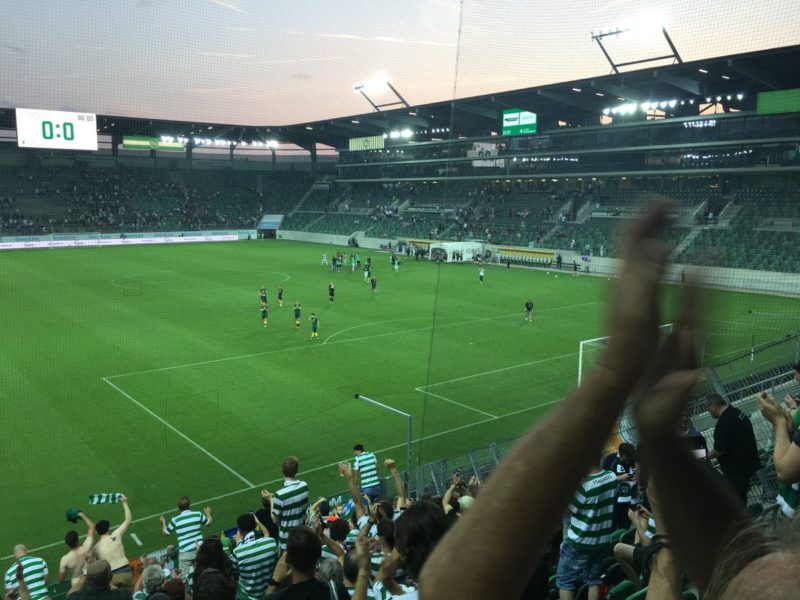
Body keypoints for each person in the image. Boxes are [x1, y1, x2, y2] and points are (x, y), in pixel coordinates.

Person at [557, 464, 617, 600]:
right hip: (601, 541)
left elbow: (566, 510)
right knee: (593, 579)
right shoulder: (612, 477)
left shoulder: (583, 486)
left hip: (579, 542)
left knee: (564, 582)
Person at [705, 394, 761, 504]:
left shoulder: (723, 423)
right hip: (749, 463)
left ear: (713, 406)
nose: (709, 412)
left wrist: (705, 456)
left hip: (736, 471)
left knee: (732, 502)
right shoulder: (737, 412)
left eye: (708, 409)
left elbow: (719, 450)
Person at [264, 526, 349, 599]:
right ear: (318, 556)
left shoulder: (276, 598)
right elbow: (341, 554)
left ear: (287, 560)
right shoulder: (336, 591)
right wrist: (321, 535)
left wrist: (275, 580)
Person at [159, 497, 213, 586]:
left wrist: (163, 523)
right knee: (205, 574)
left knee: (184, 580)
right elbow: (209, 523)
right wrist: (208, 514)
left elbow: (166, 533)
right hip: (200, 550)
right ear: (189, 505)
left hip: (185, 553)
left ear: (178, 507)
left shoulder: (175, 520)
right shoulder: (197, 514)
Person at [91, 495, 134, 593]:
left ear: (97, 532)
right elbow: (128, 520)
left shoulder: (95, 548)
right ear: (108, 529)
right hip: (125, 571)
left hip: (111, 576)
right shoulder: (116, 535)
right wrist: (124, 502)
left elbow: (96, 566)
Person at [269, 456, 309, 551]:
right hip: (302, 535)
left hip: (287, 540)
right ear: (296, 470)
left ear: (282, 471)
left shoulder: (280, 495)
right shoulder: (304, 486)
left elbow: (275, 520)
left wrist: (271, 500)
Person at [59, 511, 96, 586]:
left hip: (78, 585)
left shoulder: (65, 559)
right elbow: (92, 526)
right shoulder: (86, 547)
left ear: (67, 544)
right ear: (77, 539)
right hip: (92, 580)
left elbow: (61, 579)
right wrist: (81, 515)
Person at [65, 559, 130, 599]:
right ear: (111, 576)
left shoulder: (78, 597)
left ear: (88, 580)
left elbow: (69, 595)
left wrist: (85, 575)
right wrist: (106, 581)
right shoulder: (123, 594)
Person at [610, 443, 638, 530]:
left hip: (631, 503)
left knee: (624, 528)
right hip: (616, 503)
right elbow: (607, 481)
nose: (628, 461)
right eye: (626, 459)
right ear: (621, 455)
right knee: (612, 527)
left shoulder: (635, 463)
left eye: (630, 458)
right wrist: (619, 478)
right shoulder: (613, 462)